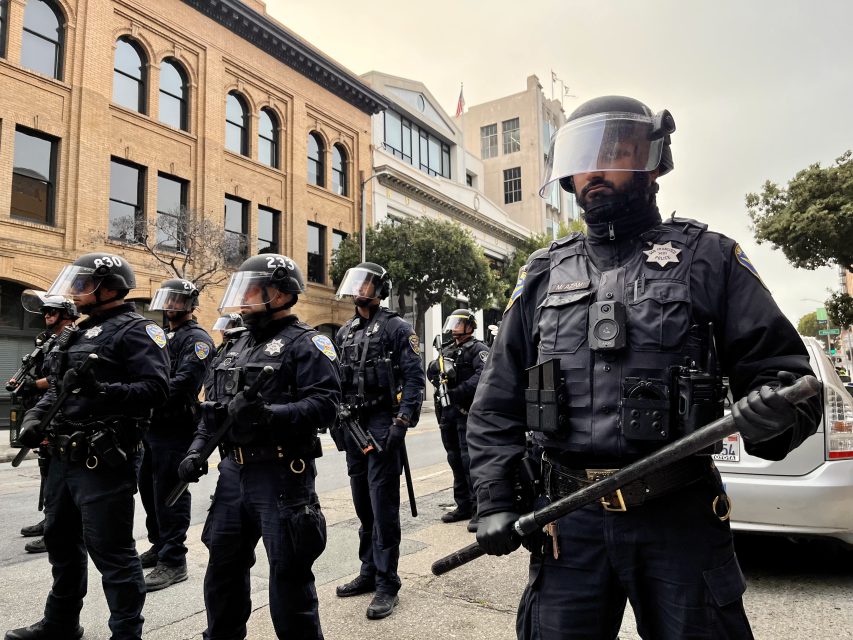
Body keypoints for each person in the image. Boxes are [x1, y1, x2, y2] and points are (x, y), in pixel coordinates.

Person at [467, 96, 823, 639]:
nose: (596, 171)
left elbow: (783, 374)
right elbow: (497, 399)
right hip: (567, 518)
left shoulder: (711, 258)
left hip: (678, 517)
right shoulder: (542, 273)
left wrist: (773, 414)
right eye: (584, 158)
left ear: (653, 160)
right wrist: (493, 497)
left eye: (614, 152)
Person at [5, 253, 169, 640]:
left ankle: (126, 633)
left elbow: (157, 390)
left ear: (109, 288)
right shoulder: (75, 332)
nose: (75, 291)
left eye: (83, 284)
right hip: (62, 457)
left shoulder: (138, 331)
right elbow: (59, 390)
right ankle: (61, 622)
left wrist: (103, 390)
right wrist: (33, 420)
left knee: (111, 552)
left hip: (103, 458)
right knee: (61, 545)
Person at [177, 254, 339, 639]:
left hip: (282, 476)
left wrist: (270, 414)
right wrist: (196, 449)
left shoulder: (309, 343)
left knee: (289, 578)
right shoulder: (234, 344)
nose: (244, 298)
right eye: (242, 289)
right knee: (223, 572)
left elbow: (327, 406)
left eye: (253, 290)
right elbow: (211, 411)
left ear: (281, 293)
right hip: (233, 473)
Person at [333, 262, 425, 619]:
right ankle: (368, 571)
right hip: (352, 423)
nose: (361, 290)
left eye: (368, 284)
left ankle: (388, 582)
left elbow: (415, 379)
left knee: (382, 503)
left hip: (383, 420)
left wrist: (402, 422)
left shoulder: (397, 328)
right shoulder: (345, 331)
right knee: (362, 503)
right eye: (357, 284)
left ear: (381, 290)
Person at [137, 278, 214, 591]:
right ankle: (159, 545)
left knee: (170, 493)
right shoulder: (161, 336)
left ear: (190, 305)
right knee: (148, 490)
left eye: (178, 300)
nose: (171, 306)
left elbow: (182, 382)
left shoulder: (197, 339)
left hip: (176, 426)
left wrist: (144, 394)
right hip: (152, 426)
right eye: (168, 300)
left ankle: (174, 559)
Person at [12, 292, 80, 554]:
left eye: (52, 312)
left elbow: (59, 379)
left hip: (61, 413)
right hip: (46, 409)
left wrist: (33, 384)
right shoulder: (49, 341)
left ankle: (56, 525)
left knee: (57, 475)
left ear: (66, 314)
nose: (47, 316)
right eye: (46, 312)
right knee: (47, 472)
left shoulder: (74, 339)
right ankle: (49, 520)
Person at [427, 309, 488, 532]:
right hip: (448, 412)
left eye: (460, 324)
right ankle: (462, 505)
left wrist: (457, 391)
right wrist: (436, 374)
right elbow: (433, 372)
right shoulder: (447, 349)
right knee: (454, 458)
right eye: (453, 323)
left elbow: (483, 376)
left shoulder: (478, 350)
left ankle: (478, 508)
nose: (455, 328)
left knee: (468, 460)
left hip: (466, 411)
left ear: (470, 326)